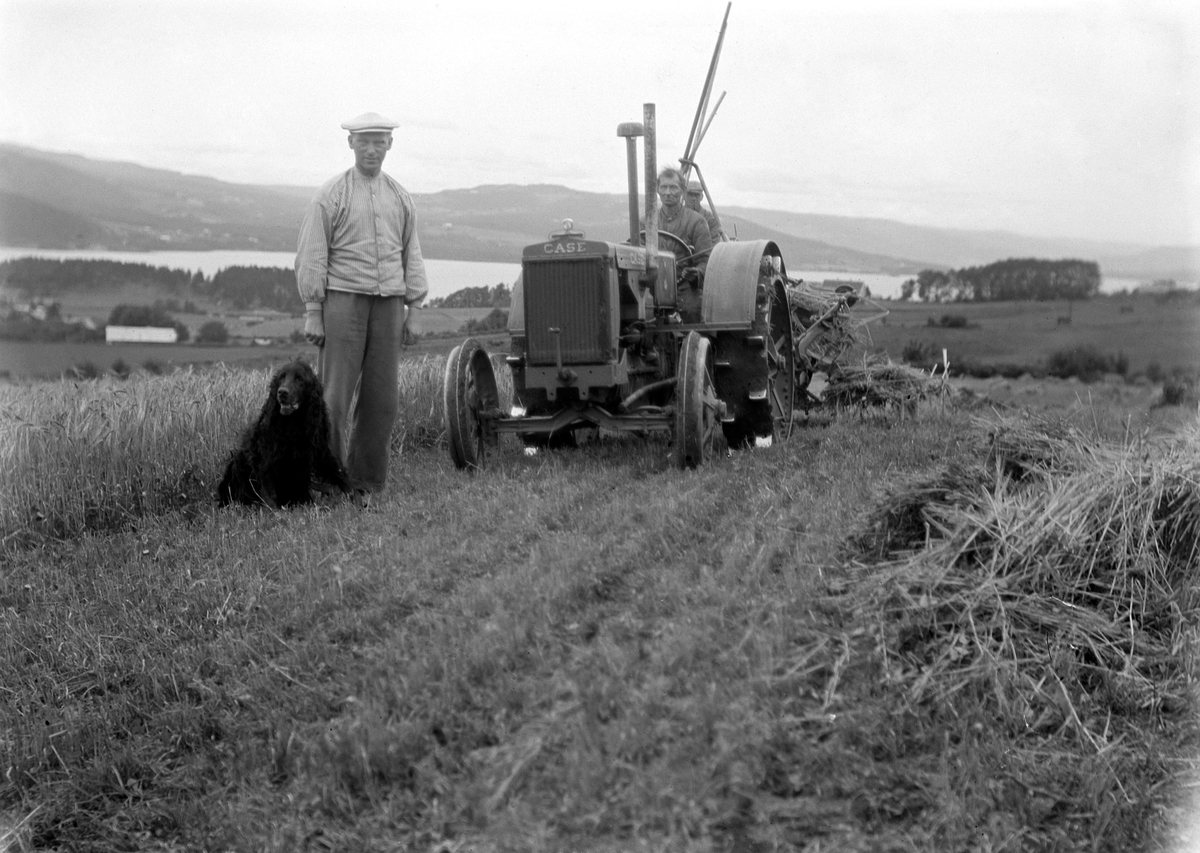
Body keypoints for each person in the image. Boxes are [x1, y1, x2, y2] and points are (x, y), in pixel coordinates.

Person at [295, 111, 428, 496]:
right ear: (350, 144)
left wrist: (414, 310)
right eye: (364, 141)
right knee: (333, 400)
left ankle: (367, 483)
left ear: (390, 145)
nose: (372, 149)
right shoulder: (331, 195)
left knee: (382, 400)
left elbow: (411, 254)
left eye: (379, 141)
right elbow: (312, 255)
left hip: (389, 305)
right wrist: (313, 312)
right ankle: (329, 481)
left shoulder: (400, 196)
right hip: (342, 303)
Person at [655, 167, 713, 320]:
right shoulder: (647, 221)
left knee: (691, 309)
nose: (668, 192)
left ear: (682, 191)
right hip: (653, 284)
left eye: (673, 187)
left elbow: (706, 260)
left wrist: (696, 273)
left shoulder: (697, 222)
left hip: (685, 285)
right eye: (664, 187)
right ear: (657, 189)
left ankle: (696, 341)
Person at [686, 178, 725, 245]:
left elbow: (713, 242)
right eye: (690, 195)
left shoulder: (710, 219)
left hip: (702, 254)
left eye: (696, 195)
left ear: (701, 197)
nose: (693, 198)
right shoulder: (676, 215)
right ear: (684, 196)